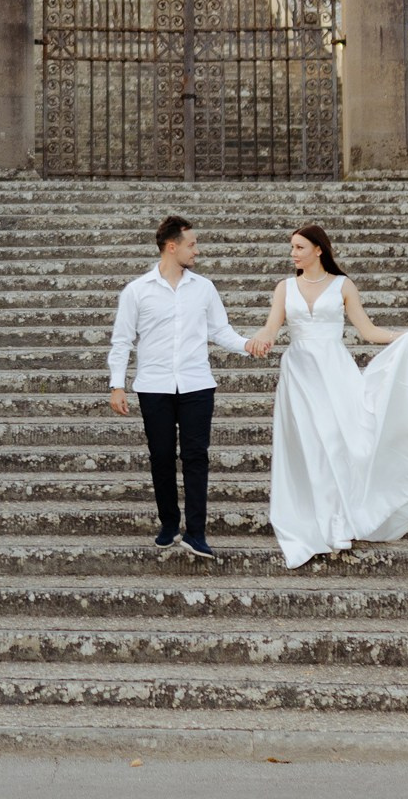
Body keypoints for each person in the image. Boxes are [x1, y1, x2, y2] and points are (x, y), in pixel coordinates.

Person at [245, 224, 408, 567]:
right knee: (311, 446)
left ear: (318, 250)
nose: (293, 253)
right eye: (292, 247)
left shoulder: (343, 286)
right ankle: (320, 521)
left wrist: (403, 337)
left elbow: (367, 331)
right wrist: (260, 338)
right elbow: (271, 326)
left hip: (334, 372)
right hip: (298, 374)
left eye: (299, 247)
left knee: (339, 444)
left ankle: (339, 521)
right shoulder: (285, 288)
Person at [107, 215, 250, 559]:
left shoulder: (203, 288)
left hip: (197, 385)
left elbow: (220, 330)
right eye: (192, 244)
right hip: (154, 385)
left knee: (196, 457)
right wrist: (117, 385)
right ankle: (169, 524)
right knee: (160, 457)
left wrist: (248, 344)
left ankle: (196, 533)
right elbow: (122, 340)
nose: (196, 251)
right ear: (172, 247)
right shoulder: (137, 291)